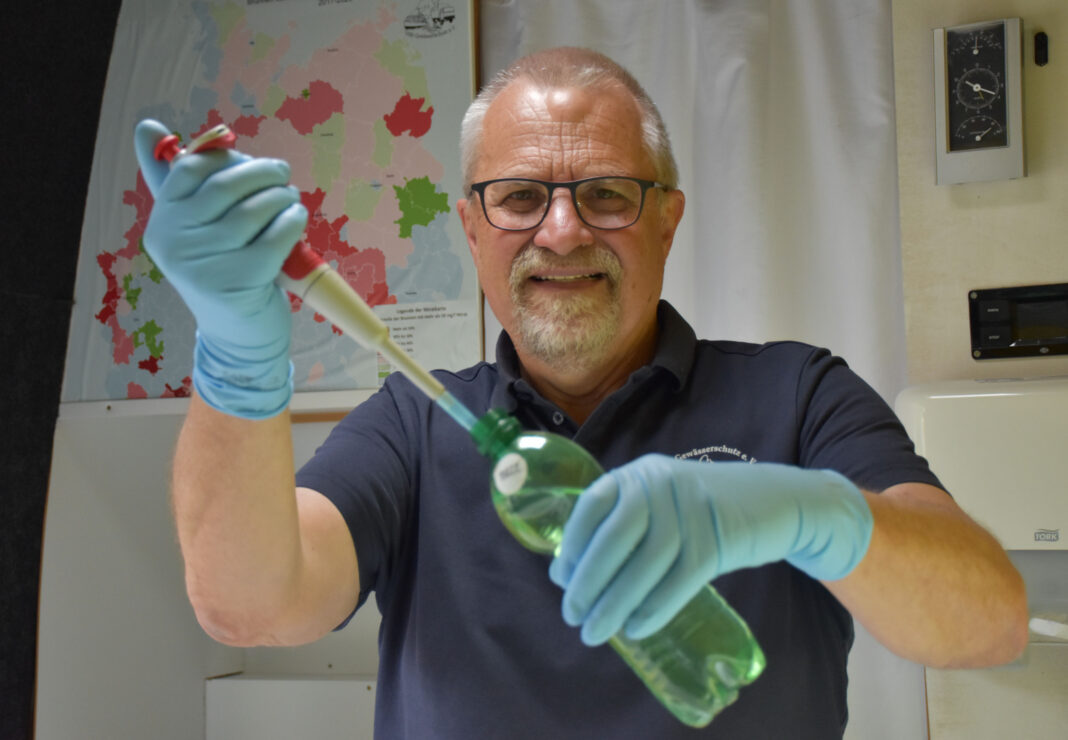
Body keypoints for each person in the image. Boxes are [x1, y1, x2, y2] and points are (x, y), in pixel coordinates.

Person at [133, 47, 1027, 738]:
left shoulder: (798, 394)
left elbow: (988, 624)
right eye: (520, 196)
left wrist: (818, 515)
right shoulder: (410, 424)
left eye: (605, 194)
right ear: (472, 227)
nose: (560, 232)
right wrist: (237, 353)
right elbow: (248, 606)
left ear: (668, 219)